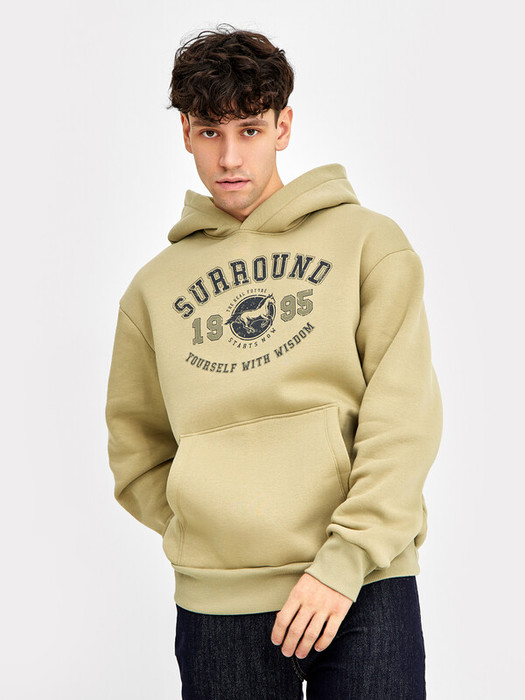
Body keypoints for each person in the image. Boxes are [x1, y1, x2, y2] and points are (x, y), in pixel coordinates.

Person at [105, 23, 443, 699]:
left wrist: (347, 557)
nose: (229, 156)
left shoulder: (367, 244)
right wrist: (209, 527)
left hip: (364, 588)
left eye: (250, 130)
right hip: (218, 606)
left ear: (283, 127)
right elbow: (137, 450)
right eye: (210, 132)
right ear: (185, 133)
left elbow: (403, 419)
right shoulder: (152, 290)